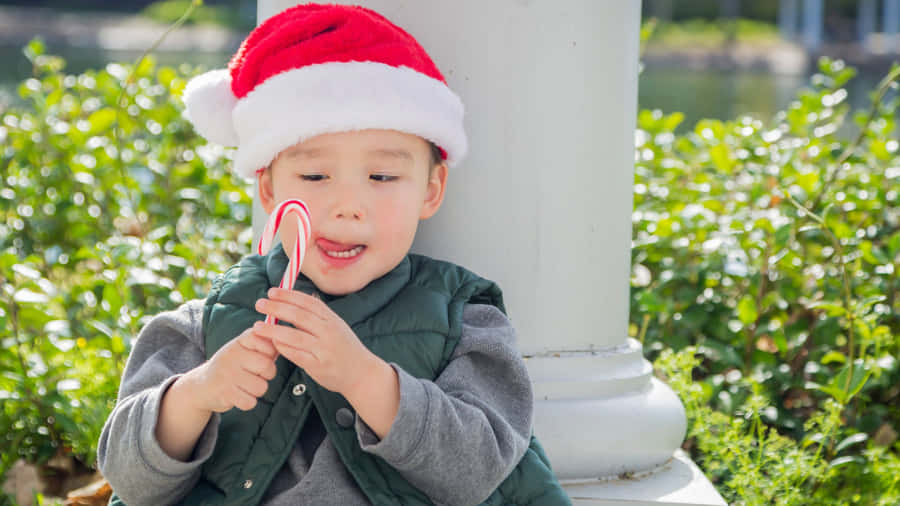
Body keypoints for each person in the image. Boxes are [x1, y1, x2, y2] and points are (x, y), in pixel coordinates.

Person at [97, 4, 569, 505]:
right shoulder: (207, 323)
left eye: (382, 176)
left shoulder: (465, 321)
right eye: (314, 176)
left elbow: (479, 471)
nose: (347, 206)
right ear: (268, 189)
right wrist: (196, 394)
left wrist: (365, 379)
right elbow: (129, 480)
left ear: (431, 190)